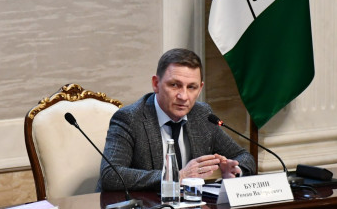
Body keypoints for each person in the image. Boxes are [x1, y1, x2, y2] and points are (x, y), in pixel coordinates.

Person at [97, 48, 256, 192]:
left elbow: (244, 157)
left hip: (191, 208)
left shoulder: (202, 115)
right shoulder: (130, 118)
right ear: (156, 84)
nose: (183, 96)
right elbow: (111, 175)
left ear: (200, 89)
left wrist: (233, 171)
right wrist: (176, 176)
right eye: (174, 85)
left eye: (191, 87)